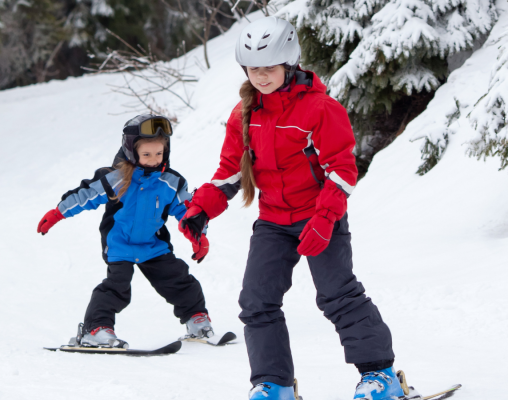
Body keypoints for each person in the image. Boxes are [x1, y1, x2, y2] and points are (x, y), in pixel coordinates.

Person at [178, 17, 406, 400]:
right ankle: (274, 384)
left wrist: (324, 217)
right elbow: (231, 171)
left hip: (319, 216)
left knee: (338, 294)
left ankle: (380, 376)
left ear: (290, 64)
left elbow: (342, 170)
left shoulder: (320, 108)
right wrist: (201, 208)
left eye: (269, 68)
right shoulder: (244, 114)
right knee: (257, 301)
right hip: (272, 221)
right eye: (254, 69)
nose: (262, 76)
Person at [37, 114, 214, 348]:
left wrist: (198, 235)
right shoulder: (116, 179)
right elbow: (85, 196)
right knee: (116, 288)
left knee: (179, 279)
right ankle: (96, 329)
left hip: (153, 245)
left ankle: (197, 320)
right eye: (147, 154)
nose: (153, 160)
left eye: (159, 153)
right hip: (119, 244)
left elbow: (188, 211)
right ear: (132, 151)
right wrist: (58, 213)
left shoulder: (171, 181)